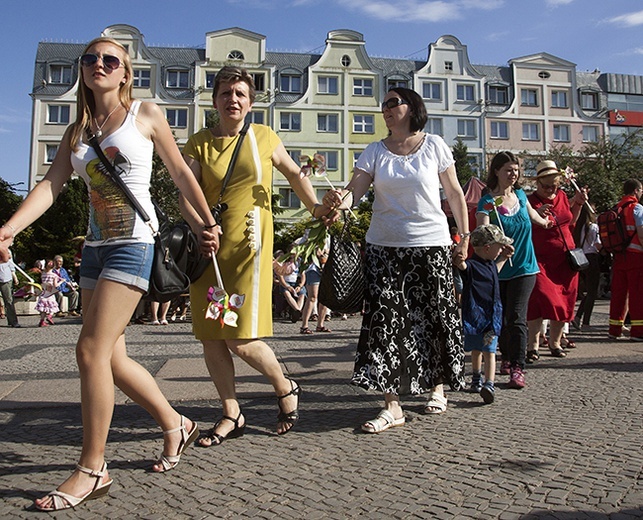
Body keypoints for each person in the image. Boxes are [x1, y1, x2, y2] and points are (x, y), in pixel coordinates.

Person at [0, 36, 219, 511]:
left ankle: (93, 467)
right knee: (112, 361)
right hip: (95, 250)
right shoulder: (76, 130)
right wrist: (9, 228)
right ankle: (176, 422)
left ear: (126, 73)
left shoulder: (145, 114)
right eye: (90, 58)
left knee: (89, 350)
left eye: (109, 59)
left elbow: (181, 173)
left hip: (134, 245)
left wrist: (207, 222)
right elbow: (52, 184)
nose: (98, 64)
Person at [180, 66, 334, 443]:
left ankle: (285, 386)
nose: (232, 99)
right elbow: (185, 193)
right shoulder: (199, 142)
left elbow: (296, 174)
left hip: (249, 245)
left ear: (250, 102)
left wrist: (315, 208)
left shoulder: (263, 136)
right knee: (213, 335)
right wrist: (201, 228)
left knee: (238, 336)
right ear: (214, 99)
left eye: (240, 94)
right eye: (225, 93)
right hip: (210, 250)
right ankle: (232, 413)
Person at [324, 87, 469, 433]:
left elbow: (454, 193)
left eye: (393, 103)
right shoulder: (375, 151)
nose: (386, 109)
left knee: (433, 318)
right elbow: (354, 192)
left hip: (431, 245)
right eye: (383, 105)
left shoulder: (434, 145)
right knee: (384, 325)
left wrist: (463, 237)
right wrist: (336, 203)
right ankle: (392, 405)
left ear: (412, 107)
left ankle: (436, 387)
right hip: (383, 248)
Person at [477, 152, 551, 389]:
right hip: (499, 268)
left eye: (516, 170)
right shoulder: (488, 201)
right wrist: (495, 242)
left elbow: (533, 217)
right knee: (503, 317)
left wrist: (545, 221)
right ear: (496, 171)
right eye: (509, 170)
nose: (514, 174)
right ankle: (506, 356)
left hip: (525, 267)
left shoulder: (520, 195)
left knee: (517, 316)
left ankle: (518, 367)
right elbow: (482, 232)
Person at [526, 160, 587, 360]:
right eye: (546, 186)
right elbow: (524, 226)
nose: (550, 190)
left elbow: (570, 220)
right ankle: (532, 346)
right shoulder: (530, 201)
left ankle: (555, 343)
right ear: (538, 184)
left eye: (554, 185)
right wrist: (536, 215)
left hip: (565, 259)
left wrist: (577, 202)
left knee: (563, 302)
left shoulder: (561, 196)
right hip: (541, 259)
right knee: (541, 298)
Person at [453, 225, 514, 404]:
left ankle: (488, 383)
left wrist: (504, 257)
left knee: (489, 350)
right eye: (499, 246)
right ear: (487, 248)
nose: (501, 249)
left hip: (490, 317)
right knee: (477, 349)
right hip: (476, 314)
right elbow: (462, 266)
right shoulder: (472, 266)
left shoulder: (490, 265)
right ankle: (478, 377)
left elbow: (496, 270)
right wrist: (459, 258)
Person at [608, 179, 643, 341]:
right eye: (641, 190)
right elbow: (641, 233)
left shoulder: (616, 209)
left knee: (619, 294)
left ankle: (614, 329)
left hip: (618, 256)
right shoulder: (637, 209)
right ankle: (638, 331)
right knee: (637, 294)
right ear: (636, 191)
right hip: (636, 257)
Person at [572, 203, 602, 330]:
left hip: (580, 258)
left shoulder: (578, 227)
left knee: (587, 291)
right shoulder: (593, 227)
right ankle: (586, 322)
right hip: (591, 258)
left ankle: (578, 317)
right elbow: (598, 244)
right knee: (592, 292)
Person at [299, 248, 331, 334]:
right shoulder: (308, 236)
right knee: (312, 297)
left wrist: (325, 252)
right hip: (313, 269)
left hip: (326, 268)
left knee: (324, 297)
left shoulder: (327, 237)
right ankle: (304, 326)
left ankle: (320, 325)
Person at [35, 259, 64, 327]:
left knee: (43, 308)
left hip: (43, 293)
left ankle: (42, 321)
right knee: (53, 306)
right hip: (50, 293)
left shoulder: (43, 274)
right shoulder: (54, 275)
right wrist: (62, 281)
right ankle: (50, 316)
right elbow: (55, 285)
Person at [0, 250, 21, 328]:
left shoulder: (7, 250)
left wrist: (14, 276)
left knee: (9, 301)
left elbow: (11, 264)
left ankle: (13, 321)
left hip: (5, 278)